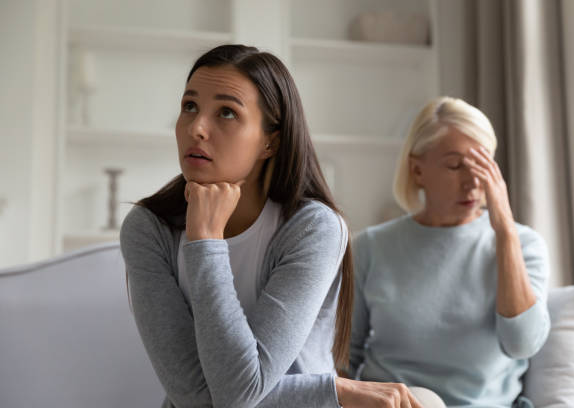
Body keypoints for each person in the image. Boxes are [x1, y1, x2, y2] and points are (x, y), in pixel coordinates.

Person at [120, 44, 437, 408]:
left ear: (270, 141)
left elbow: (234, 394)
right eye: (189, 106)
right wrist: (335, 392)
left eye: (226, 112)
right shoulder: (148, 228)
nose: (197, 128)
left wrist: (206, 242)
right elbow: (198, 397)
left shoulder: (313, 229)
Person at [349, 96, 551, 407]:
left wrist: (505, 232)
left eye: (483, 164)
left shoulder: (524, 244)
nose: (473, 181)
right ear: (417, 171)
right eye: (455, 165)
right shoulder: (370, 248)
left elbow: (522, 344)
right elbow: (343, 356)